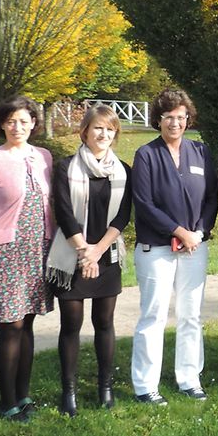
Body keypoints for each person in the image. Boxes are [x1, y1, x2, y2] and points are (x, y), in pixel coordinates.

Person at [0, 95, 54, 421]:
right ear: (2, 124)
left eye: (24, 121)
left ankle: (23, 395)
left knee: (27, 323)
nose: (18, 127)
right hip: (4, 252)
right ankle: (7, 402)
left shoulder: (43, 157)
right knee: (10, 325)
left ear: (33, 123)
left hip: (38, 250)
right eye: (11, 121)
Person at [130, 89, 218, 405]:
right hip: (156, 249)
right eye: (169, 117)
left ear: (187, 119)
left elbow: (212, 197)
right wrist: (179, 231)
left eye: (181, 117)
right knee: (153, 316)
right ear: (159, 119)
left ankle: (189, 379)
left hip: (195, 247)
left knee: (191, 315)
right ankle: (146, 386)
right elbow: (144, 203)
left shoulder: (200, 152)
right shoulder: (146, 154)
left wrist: (198, 233)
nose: (175, 123)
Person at [46, 104, 132, 415]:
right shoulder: (65, 167)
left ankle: (105, 388)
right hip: (72, 256)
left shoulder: (124, 170)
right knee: (71, 325)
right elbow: (63, 213)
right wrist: (85, 251)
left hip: (106, 256)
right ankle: (68, 392)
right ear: (85, 131)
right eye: (98, 127)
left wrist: (97, 251)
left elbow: (123, 217)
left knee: (104, 323)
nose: (103, 134)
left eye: (110, 129)